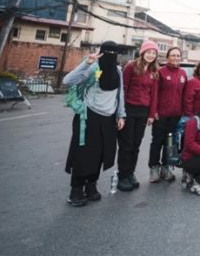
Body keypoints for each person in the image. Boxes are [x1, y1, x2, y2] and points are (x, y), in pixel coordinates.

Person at [62, 41, 126, 207]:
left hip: (109, 118)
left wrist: (121, 115)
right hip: (88, 117)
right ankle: (76, 190)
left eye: (114, 52)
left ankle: (91, 185)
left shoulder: (118, 71)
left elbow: (121, 94)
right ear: (101, 52)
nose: (110, 56)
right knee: (83, 155)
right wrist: (87, 62)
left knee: (99, 155)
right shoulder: (93, 67)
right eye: (107, 52)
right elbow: (67, 81)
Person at [117, 40, 159, 192]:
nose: (151, 55)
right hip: (129, 109)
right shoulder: (130, 67)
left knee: (136, 145)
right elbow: (123, 89)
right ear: (143, 52)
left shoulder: (154, 71)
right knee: (126, 145)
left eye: (154, 53)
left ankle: (130, 173)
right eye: (148, 52)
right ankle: (122, 176)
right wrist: (120, 112)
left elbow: (154, 95)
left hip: (143, 112)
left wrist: (151, 115)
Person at [148, 47, 187, 183]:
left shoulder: (182, 73)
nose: (176, 58)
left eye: (178, 55)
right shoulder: (161, 72)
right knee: (157, 141)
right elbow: (154, 94)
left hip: (175, 115)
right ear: (168, 57)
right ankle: (154, 168)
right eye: (173, 55)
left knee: (169, 142)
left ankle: (166, 167)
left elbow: (184, 95)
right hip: (161, 115)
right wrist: (154, 112)